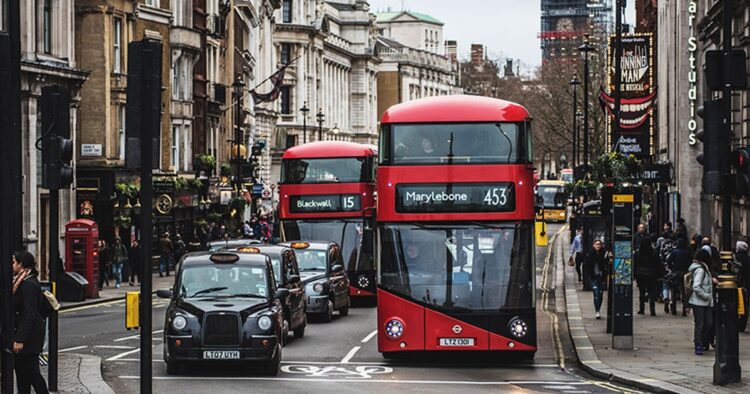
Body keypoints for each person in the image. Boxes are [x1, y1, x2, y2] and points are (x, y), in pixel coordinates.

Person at [11, 251, 50, 394]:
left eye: (13, 262)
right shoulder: (21, 281)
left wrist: (20, 339)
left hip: (29, 337)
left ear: (21, 265)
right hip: (27, 335)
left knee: (32, 373)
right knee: (22, 374)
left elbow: (29, 313)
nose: (12, 265)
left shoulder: (28, 284)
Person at [689, 249, 714, 355]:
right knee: (700, 324)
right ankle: (698, 344)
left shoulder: (705, 268)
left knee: (709, 323)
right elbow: (696, 286)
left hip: (707, 302)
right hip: (698, 302)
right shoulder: (701, 270)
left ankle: (703, 342)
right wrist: (706, 296)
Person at [634, 239, 662, 316]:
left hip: (640, 274)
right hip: (651, 274)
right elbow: (658, 264)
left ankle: (641, 309)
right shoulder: (654, 253)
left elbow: (635, 264)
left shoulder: (638, 253)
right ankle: (652, 309)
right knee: (651, 291)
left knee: (642, 292)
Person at [666, 237, 691, 316]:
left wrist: (671, 268)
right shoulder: (687, 253)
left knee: (674, 291)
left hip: (675, 272)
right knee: (684, 292)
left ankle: (674, 308)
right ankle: (684, 309)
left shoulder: (674, 252)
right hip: (684, 273)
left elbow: (668, 261)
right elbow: (689, 262)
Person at [584, 239, 608, 319]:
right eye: (596, 244)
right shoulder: (590, 254)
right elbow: (587, 266)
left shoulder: (603, 254)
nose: (598, 246)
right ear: (593, 245)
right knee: (596, 293)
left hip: (601, 277)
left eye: (599, 244)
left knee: (600, 294)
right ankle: (597, 311)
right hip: (593, 277)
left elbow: (606, 265)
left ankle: (598, 309)